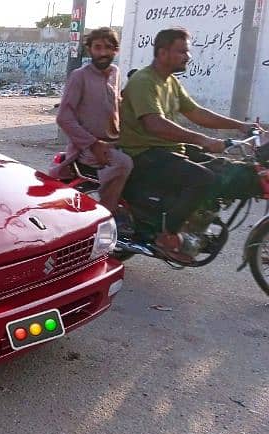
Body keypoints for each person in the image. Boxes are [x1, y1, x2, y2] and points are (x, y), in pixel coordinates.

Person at [118, 27, 263, 261]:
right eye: (182, 51)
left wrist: (240, 126)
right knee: (202, 178)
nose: (188, 56)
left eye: (187, 51)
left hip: (167, 150)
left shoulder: (170, 81)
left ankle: (195, 222)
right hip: (144, 153)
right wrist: (203, 140)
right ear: (163, 53)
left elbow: (196, 112)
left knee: (222, 169)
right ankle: (167, 237)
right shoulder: (144, 81)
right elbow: (155, 124)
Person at [53, 27, 133, 214]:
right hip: (88, 148)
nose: (103, 52)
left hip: (114, 141)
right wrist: (93, 144)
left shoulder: (115, 72)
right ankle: (106, 216)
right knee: (124, 163)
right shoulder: (79, 76)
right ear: (89, 49)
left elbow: (116, 104)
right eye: (97, 47)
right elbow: (64, 117)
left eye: (108, 47)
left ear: (116, 50)